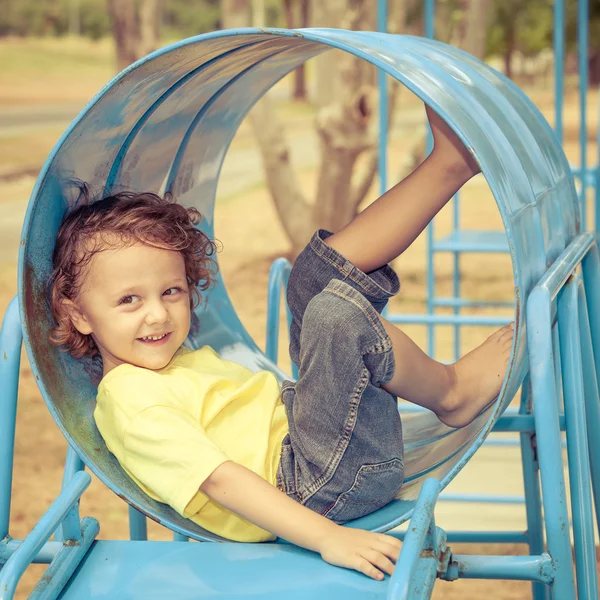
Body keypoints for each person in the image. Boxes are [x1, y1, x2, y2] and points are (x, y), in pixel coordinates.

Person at [48, 105, 513, 582]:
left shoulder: (161, 368)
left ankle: (449, 166)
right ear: (79, 314)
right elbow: (221, 481)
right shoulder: (130, 400)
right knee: (334, 317)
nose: (158, 314)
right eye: (129, 300)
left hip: (310, 440)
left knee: (314, 275)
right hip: (318, 486)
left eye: (172, 291)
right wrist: (327, 537)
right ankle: (451, 391)